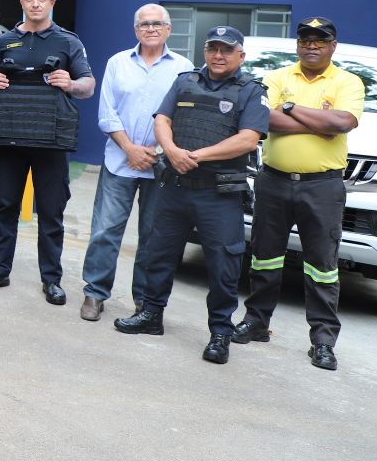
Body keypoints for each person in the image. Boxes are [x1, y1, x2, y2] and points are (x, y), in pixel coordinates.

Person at [114, 26, 269, 365]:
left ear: (240, 56)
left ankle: (220, 333)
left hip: (219, 194)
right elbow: (162, 120)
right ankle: (151, 315)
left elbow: (247, 139)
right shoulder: (185, 80)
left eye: (226, 50)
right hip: (176, 187)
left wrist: (195, 156)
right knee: (159, 253)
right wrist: (171, 150)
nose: (217, 55)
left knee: (223, 266)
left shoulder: (251, 91)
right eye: (212, 48)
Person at [233, 17, 363, 372]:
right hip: (273, 181)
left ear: (333, 45)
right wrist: (315, 121)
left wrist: (288, 108)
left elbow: (340, 124)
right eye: (305, 40)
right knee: (264, 258)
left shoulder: (347, 81)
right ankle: (256, 322)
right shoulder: (278, 77)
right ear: (298, 45)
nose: (311, 46)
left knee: (322, 266)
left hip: (322, 187)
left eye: (320, 41)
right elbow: (264, 118)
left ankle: (322, 341)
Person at [0, 0, 95, 305]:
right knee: (5, 207)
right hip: (10, 137)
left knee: (51, 212)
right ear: (22, 2)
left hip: (50, 141)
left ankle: (51, 280)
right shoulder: (5, 42)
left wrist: (71, 84)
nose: (35, 4)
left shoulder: (68, 42)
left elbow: (89, 84)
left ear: (51, 3)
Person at [78, 4, 191, 321]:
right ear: (135, 29)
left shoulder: (184, 67)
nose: (151, 28)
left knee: (153, 236)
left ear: (168, 29)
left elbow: (184, 115)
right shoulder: (117, 63)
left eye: (158, 24)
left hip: (162, 164)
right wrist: (129, 148)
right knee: (105, 230)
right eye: (144, 24)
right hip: (119, 160)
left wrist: (155, 151)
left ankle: (144, 301)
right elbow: (106, 113)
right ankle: (95, 293)